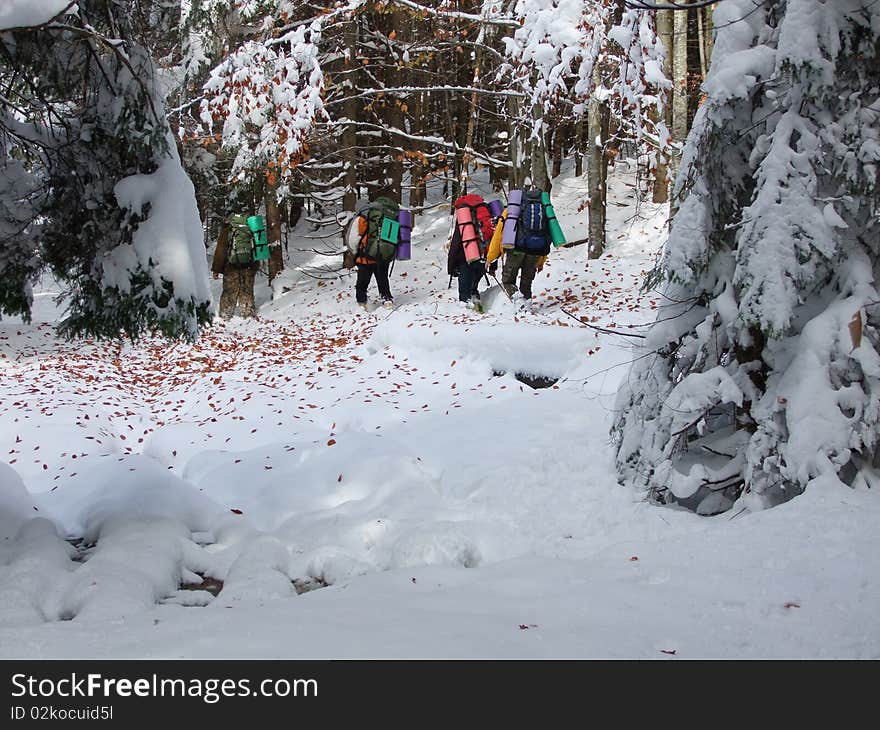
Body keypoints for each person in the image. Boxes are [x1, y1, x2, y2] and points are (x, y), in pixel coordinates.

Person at [485, 189, 549, 304]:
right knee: (526, 282)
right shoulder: (543, 209)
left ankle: (518, 304)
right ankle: (527, 306)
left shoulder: (510, 211)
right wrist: (541, 261)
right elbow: (547, 235)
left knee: (508, 281)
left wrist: (490, 258)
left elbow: (498, 236)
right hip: (536, 251)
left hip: (516, 250)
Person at [347, 194, 399, 310]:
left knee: (362, 282)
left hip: (365, 257)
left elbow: (353, 240)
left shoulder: (360, 219)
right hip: (383, 255)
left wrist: (356, 253)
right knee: (383, 279)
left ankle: (362, 303)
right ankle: (386, 299)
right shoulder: (382, 217)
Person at [446, 193, 495, 310]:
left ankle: (465, 303)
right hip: (483, 252)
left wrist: (451, 266)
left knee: (465, 279)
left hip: (466, 254)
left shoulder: (465, 216)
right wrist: (493, 264)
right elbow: (492, 235)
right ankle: (474, 295)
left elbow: (456, 243)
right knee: (476, 275)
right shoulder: (485, 210)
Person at [211, 212, 258, 320]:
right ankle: (248, 313)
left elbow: (221, 249)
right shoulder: (251, 227)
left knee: (229, 290)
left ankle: (225, 315)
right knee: (247, 289)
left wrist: (216, 269)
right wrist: (255, 265)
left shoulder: (228, 229)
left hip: (231, 266)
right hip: (249, 265)